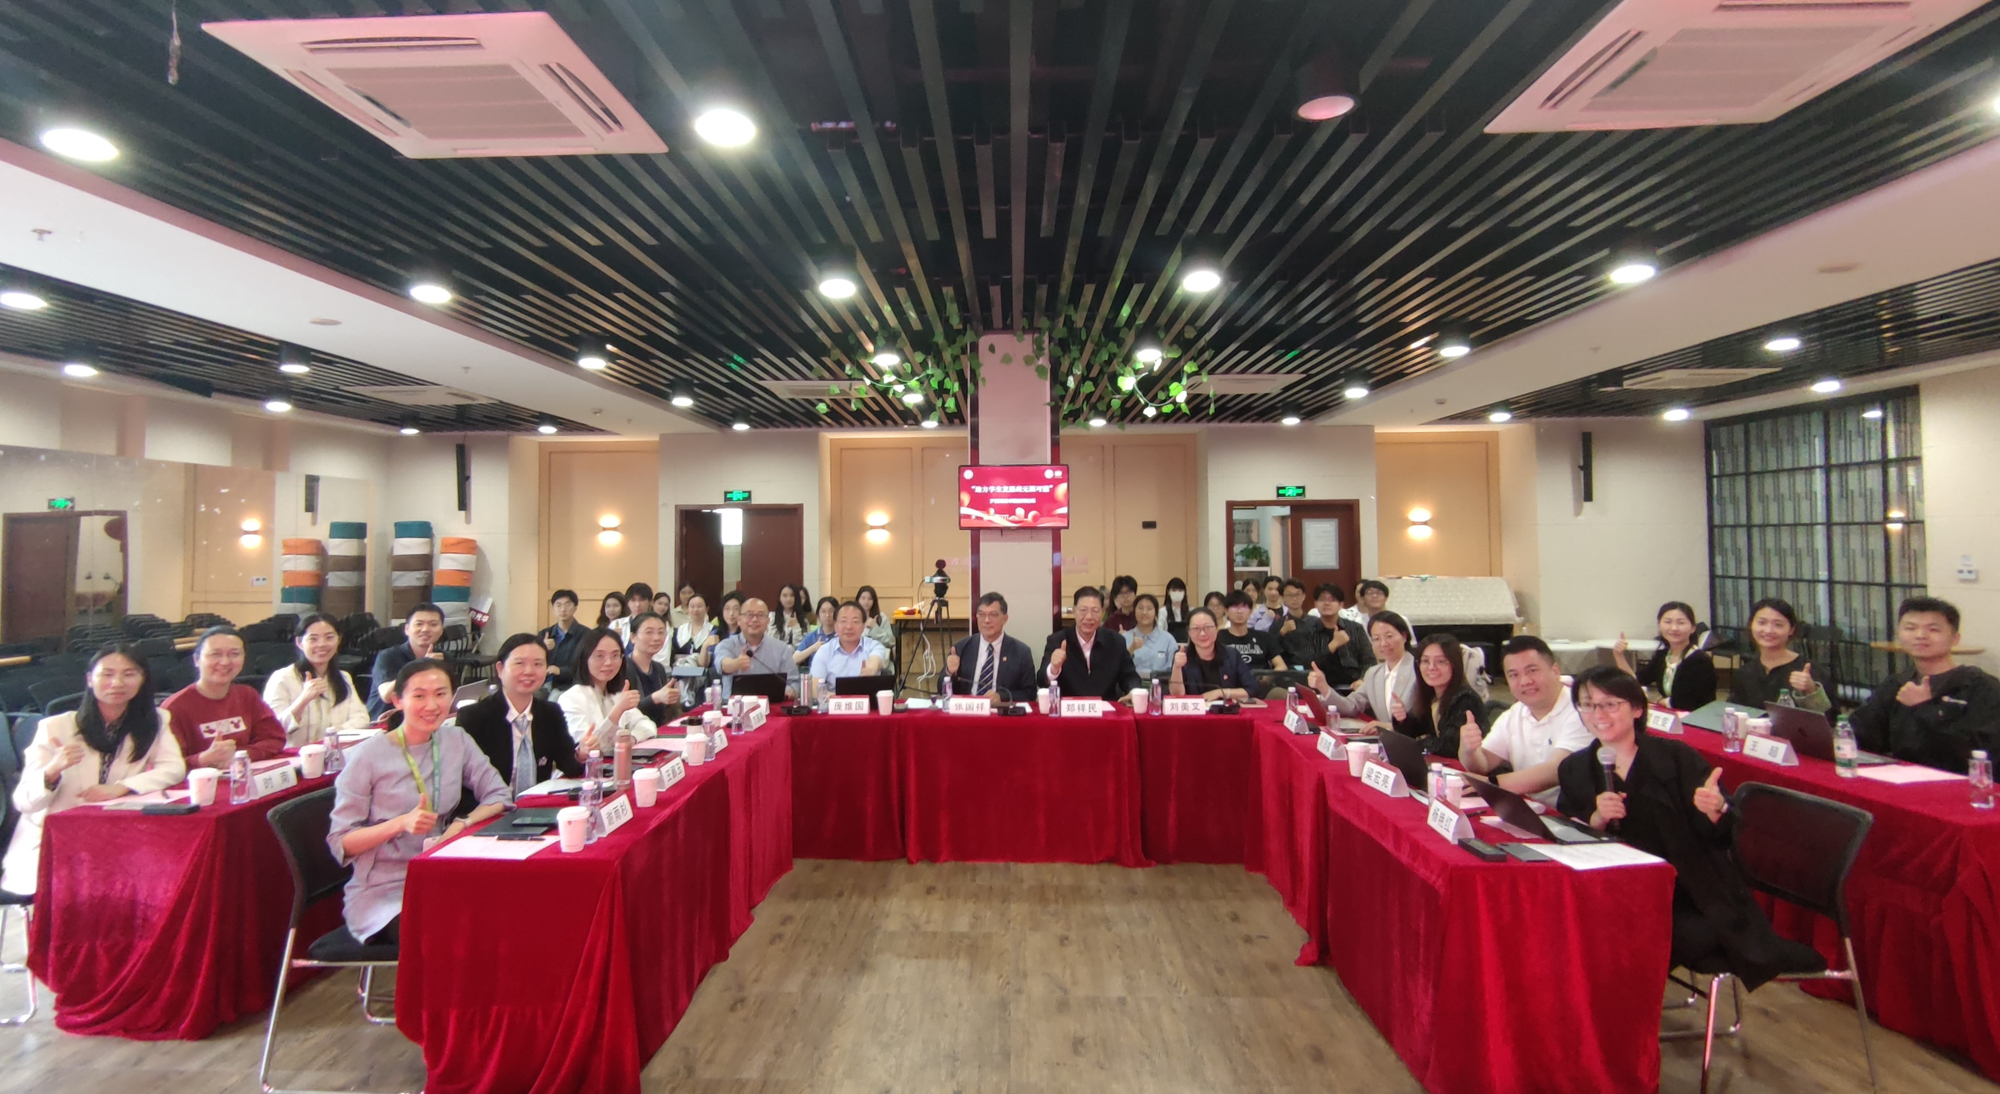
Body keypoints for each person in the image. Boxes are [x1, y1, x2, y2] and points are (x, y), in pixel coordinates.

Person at [1557, 667, 1825, 989]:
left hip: (1687, 894)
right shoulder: (1574, 769)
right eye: (1588, 704)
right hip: (1614, 890)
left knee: (1638, 937)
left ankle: (1626, 1006)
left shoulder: (1675, 758)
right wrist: (1595, 820)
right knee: (1578, 927)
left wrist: (1715, 810)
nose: (1598, 714)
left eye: (1610, 704)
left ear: (1637, 708)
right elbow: (1564, 833)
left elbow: (1722, 836)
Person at [327, 659, 511, 948]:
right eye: (419, 696)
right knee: (453, 934)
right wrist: (400, 823)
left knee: (505, 913)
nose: (432, 705)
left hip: (443, 874)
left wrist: (463, 823)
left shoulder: (456, 739)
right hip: (384, 892)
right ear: (398, 701)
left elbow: (498, 795)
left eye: (441, 694)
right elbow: (341, 843)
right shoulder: (367, 756)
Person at [3, 644, 186, 896]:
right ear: (90, 679)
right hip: (56, 842)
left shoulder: (154, 721)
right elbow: (23, 802)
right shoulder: (55, 727)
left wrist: (120, 788)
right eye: (107, 674)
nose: (117, 683)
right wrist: (53, 770)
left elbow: (174, 768)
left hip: (116, 836)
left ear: (142, 679)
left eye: (129, 674)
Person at [1850, 596, 2000, 772]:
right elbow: (1861, 733)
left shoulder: (1981, 687)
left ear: (1955, 638)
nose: (1920, 636)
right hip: (1902, 776)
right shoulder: (1897, 683)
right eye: (1910, 628)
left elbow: (1980, 753)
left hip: (1959, 781)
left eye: (1933, 629)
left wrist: (1924, 708)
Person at [1460, 636, 1591, 804]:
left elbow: (1558, 770)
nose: (1525, 681)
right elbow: (1483, 764)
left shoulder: (1582, 709)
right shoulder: (1515, 713)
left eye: (1532, 671)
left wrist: (1494, 784)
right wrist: (1468, 750)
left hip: (1570, 812)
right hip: (1528, 808)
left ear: (1555, 671)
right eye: (1514, 675)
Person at [455, 634, 584, 798]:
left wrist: (581, 754)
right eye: (520, 663)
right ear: (500, 669)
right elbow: (463, 785)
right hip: (489, 807)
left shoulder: (550, 713)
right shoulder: (473, 717)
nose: (529, 671)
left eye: (538, 664)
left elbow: (570, 767)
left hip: (535, 807)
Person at [163, 627, 288, 767]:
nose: (225, 662)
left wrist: (240, 756)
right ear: (196, 660)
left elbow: (274, 739)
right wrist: (201, 760)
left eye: (234, 654)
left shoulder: (247, 695)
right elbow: (165, 766)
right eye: (215, 654)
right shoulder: (173, 708)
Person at [263, 612, 371, 746]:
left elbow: (361, 718)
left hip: (333, 752)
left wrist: (330, 737)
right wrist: (303, 699)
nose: (322, 644)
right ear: (299, 642)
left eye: (329, 637)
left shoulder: (343, 677)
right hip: (294, 756)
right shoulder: (282, 679)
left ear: (339, 640)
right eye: (313, 639)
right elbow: (271, 730)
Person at [558, 628, 659, 754]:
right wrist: (618, 711)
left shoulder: (615, 694)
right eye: (599, 656)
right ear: (584, 658)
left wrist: (632, 739)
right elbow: (591, 748)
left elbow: (647, 725)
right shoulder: (571, 698)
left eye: (615, 655)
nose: (608, 662)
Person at [1312, 611, 1417, 729]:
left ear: (1404, 636)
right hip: (1385, 738)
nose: (1383, 643)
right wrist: (1324, 687)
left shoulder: (1418, 669)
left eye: (1389, 636)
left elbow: (1425, 721)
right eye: (1376, 639)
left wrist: (1388, 727)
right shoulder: (1374, 673)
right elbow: (1351, 706)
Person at [1727, 598, 1830, 712]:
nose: (1769, 630)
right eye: (1762, 623)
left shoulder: (1809, 670)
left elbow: (1831, 717)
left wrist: (1811, 690)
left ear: (1791, 630)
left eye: (1778, 625)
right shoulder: (1744, 673)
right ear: (1751, 625)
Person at [1040, 587, 1141, 702]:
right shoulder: (1057, 640)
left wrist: (1134, 691)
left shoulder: (1115, 641)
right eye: (1083, 610)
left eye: (1095, 611)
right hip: (1069, 708)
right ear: (1074, 611)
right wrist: (1053, 668)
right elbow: (1041, 680)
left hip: (1105, 708)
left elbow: (1129, 675)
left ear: (1103, 612)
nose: (1089, 617)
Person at [1613, 601, 1717, 711]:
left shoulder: (1700, 660)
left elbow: (1691, 701)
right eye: (1668, 622)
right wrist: (1619, 655)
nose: (1674, 628)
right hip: (1671, 714)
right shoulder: (1662, 655)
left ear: (1693, 628)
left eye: (1681, 623)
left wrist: (1663, 702)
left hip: (1696, 716)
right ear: (1659, 625)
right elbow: (1635, 681)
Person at [1396, 634, 1483, 756]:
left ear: (1455, 665)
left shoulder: (1465, 698)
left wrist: (1421, 742)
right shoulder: (1431, 694)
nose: (1431, 667)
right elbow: (1415, 731)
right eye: (1425, 661)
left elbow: (1449, 746)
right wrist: (1402, 719)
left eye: (1441, 661)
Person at [944, 592, 1037, 701]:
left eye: (993, 615)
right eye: (982, 614)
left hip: (1001, 710)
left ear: (1005, 618)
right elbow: (941, 689)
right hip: (969, 708)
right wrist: (949, 672)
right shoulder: (961, 648)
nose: (986, 620)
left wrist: (1001, 697)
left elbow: (1030, 693)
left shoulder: (1021, 653)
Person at [368, 603, 446, 719]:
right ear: (407, 629)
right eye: (419, 624)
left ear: (441, 630)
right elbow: (387, 696)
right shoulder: (388, 656)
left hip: (424, 718)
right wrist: (421, 665)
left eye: (433, 624)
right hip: (385, 721)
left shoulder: (443, 658)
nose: (425, 629)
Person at [715, 598, 799, 701]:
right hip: (735, 706)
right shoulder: (726, 645)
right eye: (749, 615)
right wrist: (736, 663)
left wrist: (790, 691)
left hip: (772, 706)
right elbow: (722, 664)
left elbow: (794, 683)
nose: (754, 619)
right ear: (739, 620)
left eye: (760, 615)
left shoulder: (781, 649)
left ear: (768, 621)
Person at [1292, 583, 1373, 689]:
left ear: (1341, 605)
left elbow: (1369, 660)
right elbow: (1308, 664)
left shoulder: (1355, 628)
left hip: (1353, 686)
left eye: (1332, 600)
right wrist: (1332, 645)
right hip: (1320, 687)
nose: (1326, 603)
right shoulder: (1307, 630)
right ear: (1315, 604)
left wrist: (1362, 679)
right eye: (1322, 599)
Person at [1170, 608, 1256, 702]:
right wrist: (1177, 667)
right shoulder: (1182, 656)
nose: (1202, 633)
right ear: (1188, 632)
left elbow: (1252, 689)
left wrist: (1220, 692)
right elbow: (1177, 696)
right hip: (1194, 710)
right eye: (1196, 629)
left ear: (1217, 628)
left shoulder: (1232, 655)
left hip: (1227, 709)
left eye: (1207, 627)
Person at [808, 601, 888, 693]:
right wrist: (837, 698)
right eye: (843, 621)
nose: (849, 627)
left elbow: (876, 659)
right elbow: (815, 687)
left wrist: (870, 670)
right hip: (833, 700)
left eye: (855, 621)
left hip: (866, 699)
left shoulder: (873, 646)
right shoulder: (824, 651)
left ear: (863, 626)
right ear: (835, 626)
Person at [624, 612, 682, 723]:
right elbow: (625, 714)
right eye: (649, 632)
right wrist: (655, 698)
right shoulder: (623, 668)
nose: (656, 638)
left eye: (661, 632)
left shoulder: (659, 668)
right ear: (633, 637)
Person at [1216, 591, 1287, 674]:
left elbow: (1281, 666)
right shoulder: (1218, 637)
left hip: (1260, 679)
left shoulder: (1263, 637)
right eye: (1235, 607)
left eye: (1244, 607)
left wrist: (1267, 677)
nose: (1239, 611)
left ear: (1250, 611)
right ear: (1226, 611)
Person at [538, 589, 586, 691]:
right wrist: (542, 649)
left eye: (567, 605)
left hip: (570, 685)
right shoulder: (544, 634)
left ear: (575, 608)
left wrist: (560, 671)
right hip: (543, 683)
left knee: (554, 698)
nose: (563, 609)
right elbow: (534, 661)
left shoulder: (586, 634)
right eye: (558, 605)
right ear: (553, 609)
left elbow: (585, 666)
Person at [1125, 594, 1179, 677]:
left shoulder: (1168, 639)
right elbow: (1117, 667)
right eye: (1140, 608)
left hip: (1161, 683)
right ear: (1134, 611)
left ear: (1156, 613)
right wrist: (1131, 649)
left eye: (1149, 609)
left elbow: (1174, 669)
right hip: (1131, 683)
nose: (1144, 612)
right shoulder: (1124, 638)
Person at [794, 596, 840, 668]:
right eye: (823, 611)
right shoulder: (812, 636)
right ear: (818, 614)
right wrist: (813, 648)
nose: (827, 615)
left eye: (831, 611)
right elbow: (794, 659)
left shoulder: (843, 636)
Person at [673, 594, 716, 664]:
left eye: (699, 606)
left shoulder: (713, 630)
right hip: (679, 669)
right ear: (688, 609)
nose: (695, 610)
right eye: (692, 606)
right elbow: (674, 655)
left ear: (707, 609)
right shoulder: (680, 630)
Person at [610, 582, 654, 647]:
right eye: (633, 600)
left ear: (650, 602)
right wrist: (614, 639)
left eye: (642, 600)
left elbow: (663, 652)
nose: (637, 604)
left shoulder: (660, 625)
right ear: (627, 603)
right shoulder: (616, 624)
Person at [1162, 577, 1193, 642]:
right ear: (1168, 592)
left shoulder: (1191, 611)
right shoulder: (1162, 612)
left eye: (1180, 590)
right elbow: (1160, 631)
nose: (1177, 593)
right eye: (1174, 590)